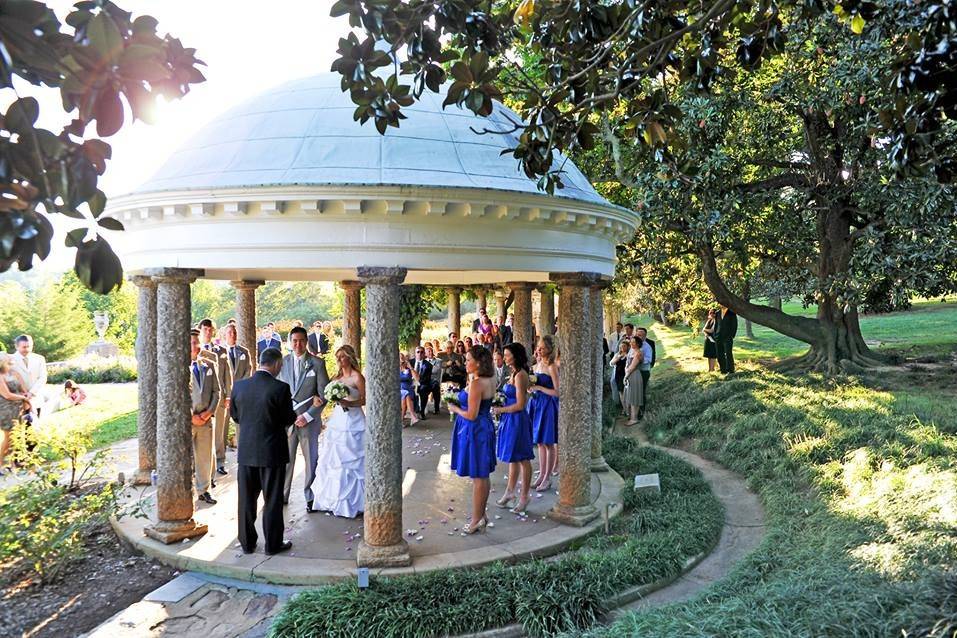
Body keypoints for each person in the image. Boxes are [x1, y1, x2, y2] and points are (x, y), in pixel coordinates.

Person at [230, 347, 296, 555]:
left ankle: (247, 543)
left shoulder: (239, 387)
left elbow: (235, 416)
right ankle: (273, 544)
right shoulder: (280, 388)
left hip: (247, 452)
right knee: (272, 500)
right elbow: (288, 419)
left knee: (246, 501)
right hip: (272, 454)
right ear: (276, 364)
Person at [277, 326, 329, 512]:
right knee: (286, 459)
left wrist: (308, 416)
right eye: (294, 341)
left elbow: (324, 394)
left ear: (307, 342)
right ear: (290, 343)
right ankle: (282, 495)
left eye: (301, 340)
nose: (298, 344)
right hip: (289, 422)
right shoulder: (282, 363)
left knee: (311, 460)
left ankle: (310, 496)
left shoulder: (317, 363)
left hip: (309, 421)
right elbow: (278, 392)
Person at [311, 345, 366, 518]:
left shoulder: (358, 377)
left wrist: (349, 403)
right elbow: (329, 396)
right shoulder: (337, 377)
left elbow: (364, 399)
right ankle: (332, 499)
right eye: (338, 357)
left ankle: (355, 502)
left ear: (350, 357)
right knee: (335, 458)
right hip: (338, 419)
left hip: (354, 420)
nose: (340, 360)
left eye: (343, 356)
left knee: (352, 459)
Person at [448, 346, 497, 534]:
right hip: (484, 427)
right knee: (483, 475)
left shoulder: (477, 384)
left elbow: (471, 414)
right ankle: (481, 514)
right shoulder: (489, 379)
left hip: (476, 430)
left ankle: (476, 520)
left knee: (478, 476)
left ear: (479, 362)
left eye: (468, 360)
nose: (465, 362)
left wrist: (455, 409)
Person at [491, 343, 534, 514]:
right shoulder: (513, 373)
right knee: (512, 458)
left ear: (515, 356)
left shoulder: (521, 375)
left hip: (517, 420)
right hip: (510, 419)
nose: (505, 357)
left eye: (508, 355)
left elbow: (521, 404)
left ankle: (524, 496)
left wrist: (500, 409)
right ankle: (510, 492)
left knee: (523, 458)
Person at [189, 330, 220, 505]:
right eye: (192, 342)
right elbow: (175, 394)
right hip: (188, 420)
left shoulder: (209, 365)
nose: (195, 346)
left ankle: (204, 490)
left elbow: (217, 391)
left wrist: (209, 412)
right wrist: (191, 416)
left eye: (197, 342)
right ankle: (185, 490)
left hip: (207, 419)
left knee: (205, 457)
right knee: (185, 458)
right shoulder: (178, 367)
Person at [218, 323, 252, 470]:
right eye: (230, 332)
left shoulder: (244, 352)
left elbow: (248, 371)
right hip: (224, 397)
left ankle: (243, 457)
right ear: (225, 335)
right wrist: (226, 394)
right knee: (221, 430)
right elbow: (219, 377)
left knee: (242, 427)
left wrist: (238, 391)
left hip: (240, 396)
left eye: (235, 332)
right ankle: (220, 461)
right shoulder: (218, 353)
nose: (233, 335)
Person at [198, 319, 229, 483]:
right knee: (204, 437)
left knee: (219, 433)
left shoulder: (221, 351)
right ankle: (205, 473)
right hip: (201, 402)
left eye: (210, 330)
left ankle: (220, 462)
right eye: (205, 329)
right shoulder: (195, 351)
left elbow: (227, 375)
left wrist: (228, 395)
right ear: (200, 330)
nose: (208, 332)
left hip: (219, 397)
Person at [528, 335, 560, 491]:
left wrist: (540, 388)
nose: (538, 350)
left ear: (549, 349)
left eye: (542, 348)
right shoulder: (537, 365)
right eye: (538, 347)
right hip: (537, 404)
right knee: (540, 442)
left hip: (548, 405)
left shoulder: (551, 366)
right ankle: (541, 475)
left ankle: (547, 477)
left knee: (548, 443)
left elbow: (558, 392)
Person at [0, 353, 30, 473]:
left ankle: (13, 464)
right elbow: (7, 395)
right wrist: (23, 398)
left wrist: (26, 396)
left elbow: (23, 390)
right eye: (8, 358)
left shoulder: (15, 373)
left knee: (17, 436)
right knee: (9, 437)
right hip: (5, 409)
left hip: (19, 408)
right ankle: (0, 463)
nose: (11, 358)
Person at [11, 334, 47, 419]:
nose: (27, 349)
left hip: (35, 398)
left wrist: (31, 393)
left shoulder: (39, 358)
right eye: (24, 347)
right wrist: (21, 393)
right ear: (16, 346)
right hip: (17, 400)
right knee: (18, 429)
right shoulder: (9, 359)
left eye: (29, 346)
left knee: (34, 427)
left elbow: (43, 377)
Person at [621, 337, 646, 426]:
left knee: (634, 397)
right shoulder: (632, 351)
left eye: (633, 342)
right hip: (630, 375)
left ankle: (634, 419)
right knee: (631, 397)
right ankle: (632, 417)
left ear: (638, 343)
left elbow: (632, 367)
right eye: (631, 342)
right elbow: (627, 365)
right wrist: (626, 373)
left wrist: (626, 376)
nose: (631, 343)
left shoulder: (638, 352)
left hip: (634, 375)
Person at [715, 305, 738, 374]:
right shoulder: (717, 313)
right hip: (718, 337)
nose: (721, 304)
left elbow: (734, 325)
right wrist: (715, 334)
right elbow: (716, 324)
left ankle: (731, 370)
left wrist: (732, 336)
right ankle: (723, 370)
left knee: (728, 353)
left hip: (728, 337)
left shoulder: (731, 313)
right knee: (719, 354)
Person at [412, 346, 433, 421]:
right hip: (410, 383)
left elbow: (427, 379)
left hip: (422, 383)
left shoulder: (428, 365)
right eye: (418, 352)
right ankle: (415, 409)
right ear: (415, 353)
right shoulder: (410, 363)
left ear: (424, 354)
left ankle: (422, 411)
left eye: (422, 352)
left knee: (424, 389)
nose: (420, 354)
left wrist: (418, 383)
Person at [636, 327, 654, 409]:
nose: (638, 337)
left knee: (641, 391)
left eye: (640, 335)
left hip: (643, 372)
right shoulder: (635, 345)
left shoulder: (647, 347)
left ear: (644, 336)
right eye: (637, 335)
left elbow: (648, 360)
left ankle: (642, 410)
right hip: (636, 372)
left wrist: (640, 359)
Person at [609, 341, 629, 413]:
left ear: (627, 347)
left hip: (626, 375)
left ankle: (627, 409)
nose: (622, 348)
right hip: (618, 376)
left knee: (627, 393)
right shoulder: (618, 354)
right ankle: (624, 409)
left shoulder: (629, 354)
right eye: (621, 347)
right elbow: (611, 363)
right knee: (621, 392)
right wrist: (618, 358)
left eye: (624, 346)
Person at [399, 352, 418, 426]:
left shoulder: (408, 369)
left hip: (408, 390)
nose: (401, 359)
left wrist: (410, 367)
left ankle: (401, 421)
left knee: (405, 395)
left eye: (402, 357)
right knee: (405, 394)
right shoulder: (394, 369)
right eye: (399, 358)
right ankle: (412, 416)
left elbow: (417, 378)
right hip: (398, 390)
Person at [424, 344, 443, 415]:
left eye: (431, 351)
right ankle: (422, 408)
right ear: (425, 353)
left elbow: (435, 370)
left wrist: (426, 370)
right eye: (428, 351)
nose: (430, 353)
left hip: (434, 381)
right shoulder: (424, 361)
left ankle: (436, 408)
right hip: (426, 381)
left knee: (435, 387)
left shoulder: (438, 361)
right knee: (421, 388)